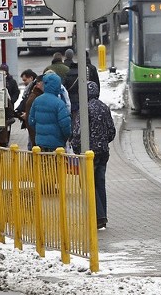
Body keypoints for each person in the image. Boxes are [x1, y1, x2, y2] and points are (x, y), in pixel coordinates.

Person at [70, 81, 116, 229]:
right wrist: (102, 142)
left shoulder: (84, 109)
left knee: (89, 183)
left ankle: (99, 216)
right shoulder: (104, 107)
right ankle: (103, 216)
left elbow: (77, 133)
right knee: (100, 183)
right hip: (103, 152)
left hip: (89, 153)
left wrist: (77, 150)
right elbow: (112, 132)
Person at [27, 72, 71, 152]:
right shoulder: (59, 103)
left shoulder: (37, 100)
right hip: (56, 145)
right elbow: (65, 125)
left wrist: (40, 133)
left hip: (40, 143)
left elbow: (31, 121)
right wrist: (65, 138)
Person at [0, 64, 20, 147]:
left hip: (8, 107)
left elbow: (16, 92)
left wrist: (11, 101)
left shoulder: (11, 81)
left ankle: (6, 140)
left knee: (8, 125)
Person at [23, 74, 45, 150]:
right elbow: (30, 122)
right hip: (38, 141)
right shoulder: (34, 99)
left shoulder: (39, 96)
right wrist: (35, 142)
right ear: (39, 84)